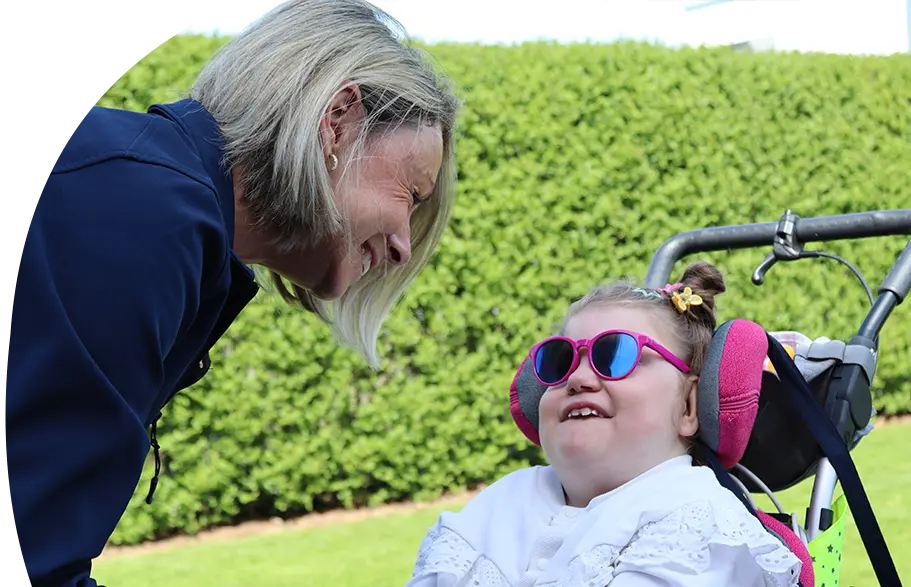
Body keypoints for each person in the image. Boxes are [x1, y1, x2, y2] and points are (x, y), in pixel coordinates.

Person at [6, 1, 461, 586]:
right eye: (412, 194)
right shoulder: (147, 214)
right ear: (339, 120)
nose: (403, 245)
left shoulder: (149, 195)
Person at [404, 262, 804, 587]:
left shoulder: (697, 519)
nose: (578, 378)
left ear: (687, 405)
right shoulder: (503, 500)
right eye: (559, 361)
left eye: (615, 356)